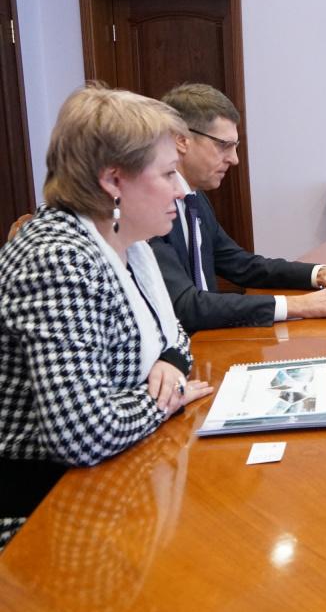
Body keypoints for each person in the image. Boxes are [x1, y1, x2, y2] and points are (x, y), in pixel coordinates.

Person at [0, 85, 215, 552]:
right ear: (113, 181)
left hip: (108, 479)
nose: (181, 190)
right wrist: (167, 398)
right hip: (41, 517)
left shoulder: (126, 243)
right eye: (168, 173)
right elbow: (81, 433)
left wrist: (172, 362)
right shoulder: (57, 260)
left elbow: (174, 333)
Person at [151, 83, 326, 331]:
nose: (234, 159)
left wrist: (319, 275)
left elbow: (242, 265)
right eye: (224, 145)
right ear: (181, 140)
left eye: (235, 146)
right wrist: (299, 305)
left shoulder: (195, 198)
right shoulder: (150, 209)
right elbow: (187, 307)